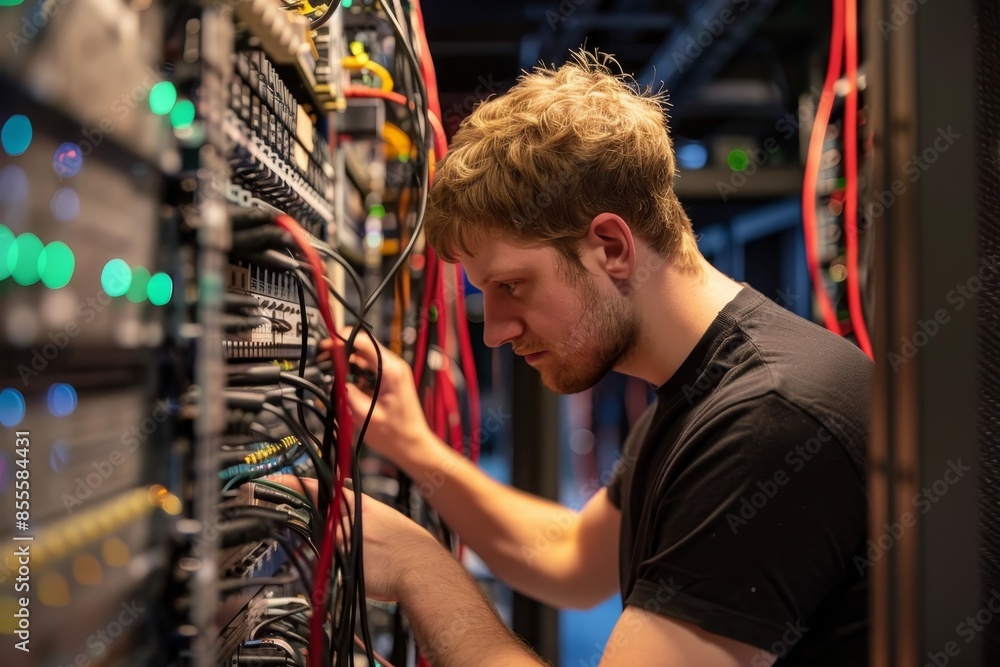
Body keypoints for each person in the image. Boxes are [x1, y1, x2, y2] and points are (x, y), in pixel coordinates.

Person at [296, 51, 872, 666]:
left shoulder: (771, 418)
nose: (494, 332)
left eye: (512, 285)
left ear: (612, 246)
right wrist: (415, 446)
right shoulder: (703, 392)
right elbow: (572, 559)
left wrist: (416, 566)